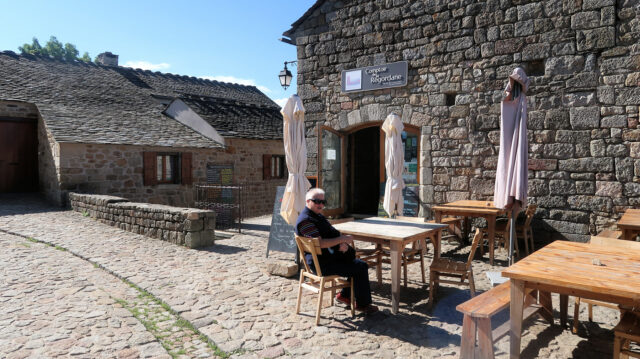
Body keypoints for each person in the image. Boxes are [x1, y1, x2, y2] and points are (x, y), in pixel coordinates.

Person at [295, 188, 378, 314]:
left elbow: (331, 231)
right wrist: (342, 239)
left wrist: (341, 243)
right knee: (360, 266)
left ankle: (344, 295)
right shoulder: (306, 221)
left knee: (353, 260)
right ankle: (363, 305)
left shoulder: (316, 216)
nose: (321, 205)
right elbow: (320, 243)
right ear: (308, 201)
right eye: (317, 201)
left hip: (325, 258)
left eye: (324, 202)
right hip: (321, 265)